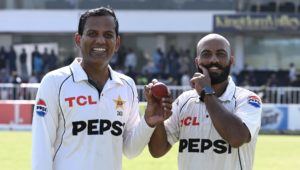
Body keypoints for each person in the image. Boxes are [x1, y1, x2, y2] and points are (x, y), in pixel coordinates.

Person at [32, 7, 172, 170]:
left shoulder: (126, 85)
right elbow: (41, 148)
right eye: (92, 33)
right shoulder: (54, 82)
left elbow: (130, 150)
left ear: (117, 43)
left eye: (108, 35)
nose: (100, 41)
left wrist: (148, 121)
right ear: (78, 39)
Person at [148, 33, 262, 170]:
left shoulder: (248, 99)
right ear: (197, 62)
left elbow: (236, 138)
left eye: (221, 54)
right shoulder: (185, 100)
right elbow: (157, 151)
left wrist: (206, 92)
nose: (214, 59)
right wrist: (159, 121)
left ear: (232, 61)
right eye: (206, 54)